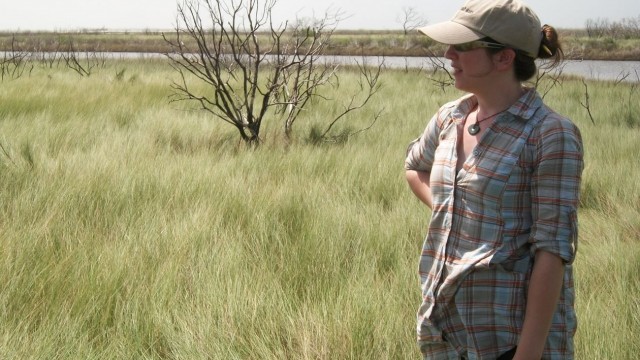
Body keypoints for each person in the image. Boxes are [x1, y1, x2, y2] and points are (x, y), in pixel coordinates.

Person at [404, 0, 584, 359]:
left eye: (463, 46)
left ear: (504, 58)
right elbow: (415, 167)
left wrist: (527, 354)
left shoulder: (550, 134)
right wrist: (457, 209)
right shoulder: (449, 118)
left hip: (509, 338)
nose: (449, 53)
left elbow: (553, 252)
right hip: (444, 330)